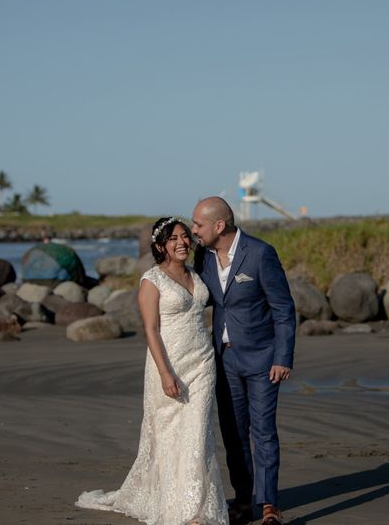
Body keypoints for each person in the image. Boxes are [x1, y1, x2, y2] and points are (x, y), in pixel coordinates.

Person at [76, 217, 227, 525]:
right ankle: (174, 502)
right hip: (168, 365)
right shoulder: (151, 280)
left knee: (198, 435)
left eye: (185, 236)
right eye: (173, 239)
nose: (182, 242)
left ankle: (194, 510)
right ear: (160, 246)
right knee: (169, 436)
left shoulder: (197, 275)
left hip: (202, 363)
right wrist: (165, 373)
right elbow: (151, 330)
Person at [192, 197, 296, 525]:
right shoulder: (202, 257)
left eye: (198, 225)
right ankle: (243, 499)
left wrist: (283, 357)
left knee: (263, 432)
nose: (194, 230)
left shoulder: (261, 253)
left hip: (264, 360)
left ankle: (268, 506)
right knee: (233, 433)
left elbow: (283, 308)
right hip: (223, 361)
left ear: (219, 225)